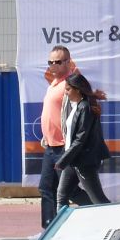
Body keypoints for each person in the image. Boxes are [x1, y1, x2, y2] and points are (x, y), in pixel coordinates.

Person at [38, 45, 95, 228]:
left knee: (70, 191)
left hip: (65, 147)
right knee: (46, 188)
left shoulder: (70, 86)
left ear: (68, 63)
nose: (53, 66)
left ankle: (101, 210)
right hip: (51, 146)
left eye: (58, 62)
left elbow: (80, 113)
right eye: (50, 62)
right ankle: (49, 229)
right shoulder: (53, 85)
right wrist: (46, 136)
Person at [54, 71, 111, 211]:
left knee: (98, 199)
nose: (65, 93)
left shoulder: (85, 107)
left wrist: (63, 160)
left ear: (77, 89)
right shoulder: (77, 106)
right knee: (62, 196)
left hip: (83, 161)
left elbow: (80, 139)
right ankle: (60, 229)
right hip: (73, 159)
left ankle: (115, 220)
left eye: (68, 89)